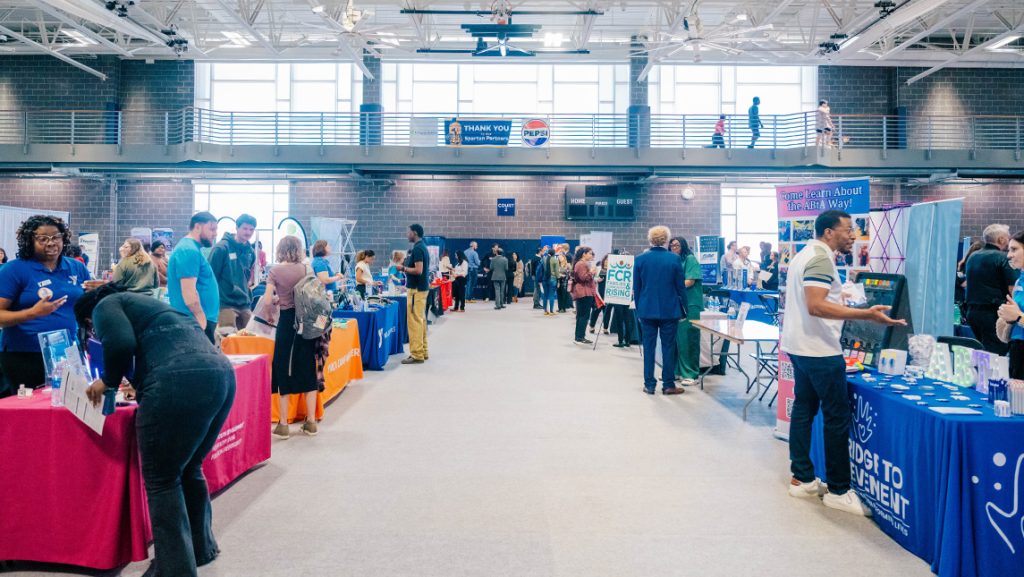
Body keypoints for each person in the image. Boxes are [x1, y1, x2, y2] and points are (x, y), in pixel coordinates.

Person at [75, 285, 234, 577]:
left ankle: (174, 570)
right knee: (189, 468)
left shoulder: (105, 305)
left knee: (162, 479)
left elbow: (120, 343)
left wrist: (107, 381)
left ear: (88, 321)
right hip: (221, 374)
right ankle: (201, 548)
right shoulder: (150, 306)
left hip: (177, 378)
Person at [783, 210, 905, 516]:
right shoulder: (821, 259)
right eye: (848, 230)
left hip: (800, 346)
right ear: (828, 232)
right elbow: (816, 305)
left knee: (804, 409)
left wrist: (843, 300)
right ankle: (838, 490)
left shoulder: (805, 255)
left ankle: (803, 479)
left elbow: (816, 300)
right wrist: (866, 314)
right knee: (836, 418)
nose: (853, 235)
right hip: (820, 351)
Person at [0, 215, 91, 396]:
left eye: (56, 237)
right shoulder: (14, 270)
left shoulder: (76, 267)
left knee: (66, 407)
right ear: (29, 241)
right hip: (24, 355)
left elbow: (86, 307)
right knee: (28, 414)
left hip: (66, 353)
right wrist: (32, 313)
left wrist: (99, 295)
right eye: (42, 239)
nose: (51, 243)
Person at [264, 236, 321, 439]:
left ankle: (283, 424)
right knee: (307, 367)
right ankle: (311, 422)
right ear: (298, 249)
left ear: (280, 248)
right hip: (306, 325)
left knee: (282, 368)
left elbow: (267, 299)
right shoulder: (306, 269)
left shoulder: (275, 271)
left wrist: (273, 308)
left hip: (287, 323)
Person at [634, 226, 687, 395]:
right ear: (666, 240)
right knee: (668, 347)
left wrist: (639, 309)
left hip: (647, 310)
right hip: (669, 310)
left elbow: (637, 288)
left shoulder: (640, 259)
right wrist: (685, 308)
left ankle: (649, 384)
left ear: (650, 239)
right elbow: (680, 287)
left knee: (648, 347)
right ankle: (668, 384)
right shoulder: (674, 259)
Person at [965, 224, 1018, 354]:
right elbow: (1013, 290)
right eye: (1007, 238)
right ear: (1001, 240)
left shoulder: (973, 256)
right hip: (993, 314)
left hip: (972, 313)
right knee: (996, 355)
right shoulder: (1002, 258)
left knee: (984, 352)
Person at [168, 212, 220, 343]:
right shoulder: (188, 250)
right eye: (212, 229)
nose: (215, 234)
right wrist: (200, 317)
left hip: (199, 319)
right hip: (194, 320)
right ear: (197, 227)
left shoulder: (193, 249)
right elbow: (188, 292)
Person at [208, 214, 257, 336]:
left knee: (250, 337)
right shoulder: (221, 248)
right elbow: (210, 277)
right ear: (237, 227)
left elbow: (246, 276)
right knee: (227, 339)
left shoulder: (250, 251)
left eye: (251, 229)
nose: (248, 232)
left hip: (244, 303)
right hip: (225, 303)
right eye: (245, 228)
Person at [670, 237, 703, 385]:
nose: (674, 247)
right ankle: (677, 371)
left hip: (691, 304)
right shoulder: (674, 261)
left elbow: (690, 281)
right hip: (677, 304)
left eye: (677, 245)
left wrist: (670, 287)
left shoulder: (690, 259)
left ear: (683, 245)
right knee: (678, 339)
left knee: (689, 338)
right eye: (671, 245)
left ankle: (691, 373)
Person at [395, 224, 430, 364]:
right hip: (420, 289)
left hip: (416, 290)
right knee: (420, 320)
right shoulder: (422, 247)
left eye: (408, 232)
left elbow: (418, 270)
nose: (406, 234)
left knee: (414, 322)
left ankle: (416, 354)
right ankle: (423, 351)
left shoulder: (418, 249)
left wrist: (403, 268)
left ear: (414, 233)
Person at [997, 231, 1024, 378]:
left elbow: (1019, 316)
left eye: (1014, 249)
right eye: (1009, 250)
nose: (1008, 255)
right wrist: (1006, 316)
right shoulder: (1019, 280)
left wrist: (1018, 317)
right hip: (1016, 347)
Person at [571, 246, 598, 345]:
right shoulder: (581, 264)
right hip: (584, 292)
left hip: (584, 291)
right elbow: (583, 278)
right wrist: (592, 271)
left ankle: (580, 336)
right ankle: (579, 337)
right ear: (584, 254)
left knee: (582, 316)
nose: (591, 255)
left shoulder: (581, 263)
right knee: (583, 316)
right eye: (590, 253)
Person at [589, 254, 611, 335]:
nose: (607, 262)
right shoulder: (598, 269)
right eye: (606, 260)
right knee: (595, 311)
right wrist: (596, 279)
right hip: (598, 294)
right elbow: (591, 278)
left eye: (609, 260)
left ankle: (605, 328)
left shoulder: (613, 271)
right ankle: (592, 326)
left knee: (607, 312)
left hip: (608, 295)